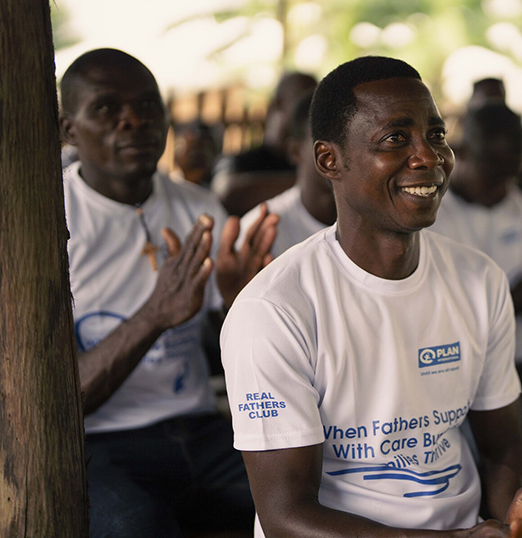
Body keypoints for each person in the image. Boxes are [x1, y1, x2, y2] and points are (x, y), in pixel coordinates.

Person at [221, 56, 522, 538]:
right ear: (329, 160)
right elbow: (285, 516)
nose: (430, 157)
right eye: (396, 138)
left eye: (436, 135)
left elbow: (503, 446)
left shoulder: (479, 280)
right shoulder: (273, 311)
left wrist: (517, 516)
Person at [59, 48, 278, 538]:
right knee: (134, 526)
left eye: (146, 105)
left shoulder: (198, 206)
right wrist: (157, 313)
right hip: (102, 444)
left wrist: (240, 305)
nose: (133, 121)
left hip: (200, 427)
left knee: (307, 497)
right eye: (106, 108)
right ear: (69, 129)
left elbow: (238, 355)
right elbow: (62, 401)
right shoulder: (53, 221)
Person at [429, 102, 522, 491]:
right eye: (492, 174)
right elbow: (470, 321)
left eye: (510, 176)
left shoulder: (517, 205)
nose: (502, 186)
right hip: (478, 377)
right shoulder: (435, 216)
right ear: (461, 154)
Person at [237, 91, 336, 257]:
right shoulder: (261, 231)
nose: (339, 154)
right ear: (295, 151)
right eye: (326, 145)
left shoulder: (375, 224)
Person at [212, 71, 318, 216]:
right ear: (278, 103)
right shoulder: (239, 161)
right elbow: (226, 192)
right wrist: (312, 183)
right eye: (305, 101)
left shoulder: (313, 161)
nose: (312, 111)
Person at [171, 119, 219, 188]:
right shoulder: (168, 186)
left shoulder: (215, 190)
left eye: (200, 149)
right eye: (191, 149)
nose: (195, 155)